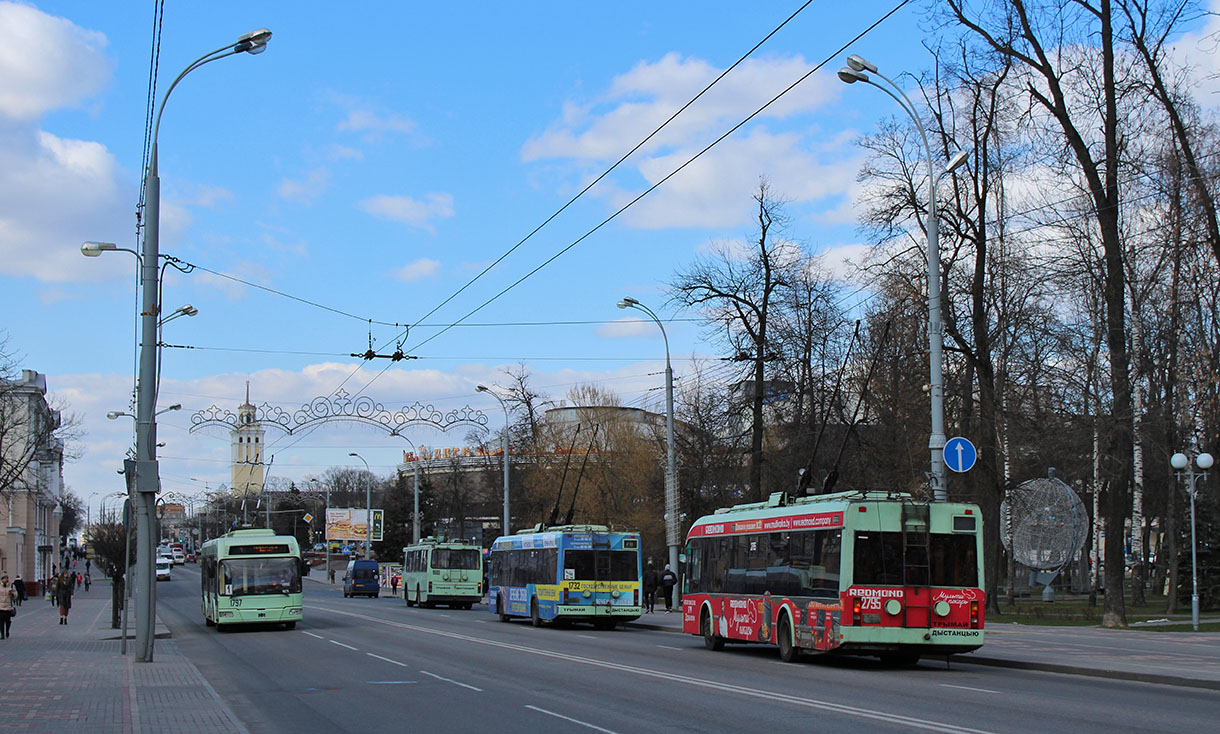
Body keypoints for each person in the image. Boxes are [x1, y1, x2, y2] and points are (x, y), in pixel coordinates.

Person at [0, 574, 16, 640]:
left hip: (8, 606)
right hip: (0, 606)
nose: (5, 580)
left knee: (8, 621)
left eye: (6, 579)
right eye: (4, 579)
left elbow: (15, 595)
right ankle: (2, 634)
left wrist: (12, 594)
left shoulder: (11, 586)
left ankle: (7, 631)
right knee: (1, 621)